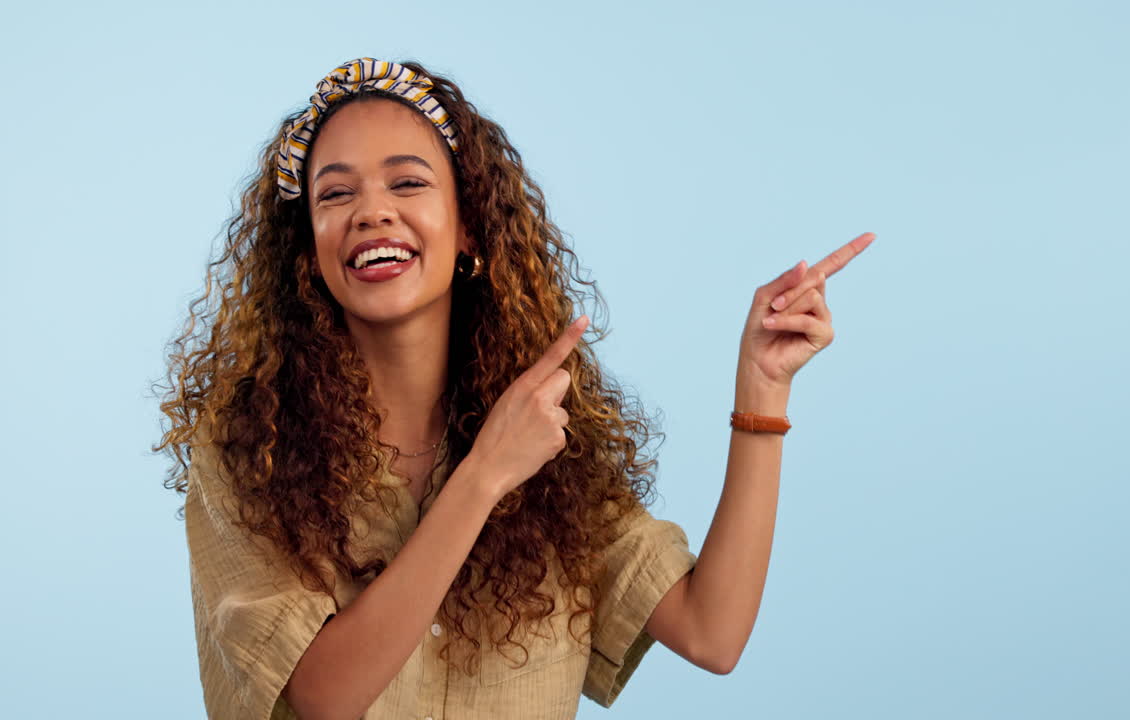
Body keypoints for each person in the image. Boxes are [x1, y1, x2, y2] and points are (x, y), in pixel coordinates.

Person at [154, 56, 874, 720]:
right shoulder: (246, 453)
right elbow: (323, 696)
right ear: (309, 253)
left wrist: (763, 388)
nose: (372, 211)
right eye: (336, 193)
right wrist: (486, 474)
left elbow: (711, 632)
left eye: (407, 182)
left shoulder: (549, 444)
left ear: (469, 225)